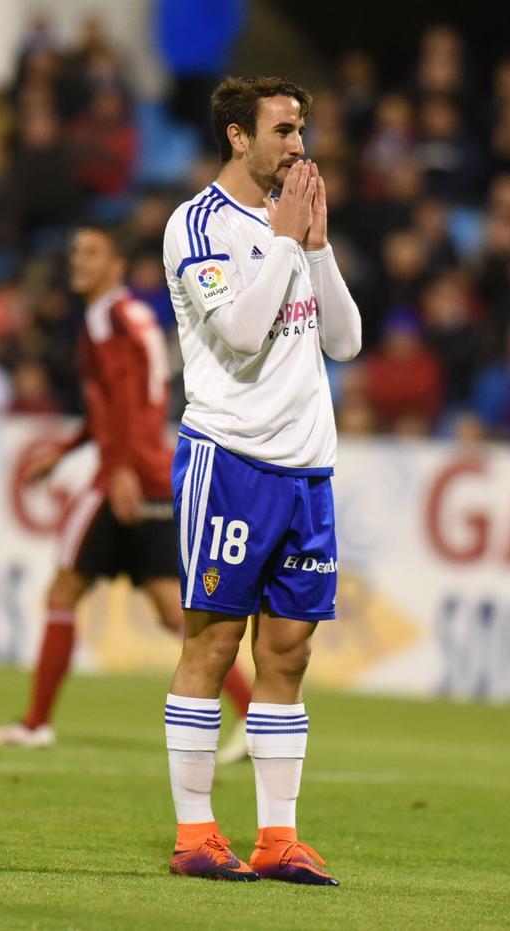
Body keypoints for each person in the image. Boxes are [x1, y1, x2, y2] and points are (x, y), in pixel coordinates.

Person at [161, 75, 361, 884]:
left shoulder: (294, 222)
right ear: (239, 137)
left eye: (302, 128)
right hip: (231, 459)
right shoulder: (196, 225)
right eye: (283, 130)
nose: (299, 144)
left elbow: (343, 342)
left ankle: (278, 837)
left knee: (288, 651)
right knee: (211, 644)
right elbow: (242, 337)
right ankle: (195, 832)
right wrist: (283, 240)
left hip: (308, 468)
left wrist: (315, 243)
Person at [0, 226, 253, 759]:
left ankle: (35, 723)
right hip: (151, 471)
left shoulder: (109, 320)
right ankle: (251, 716)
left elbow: (129, 401)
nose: (77, 261)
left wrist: (120, 467)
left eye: (91, 253)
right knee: (173, 609)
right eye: (75, 251)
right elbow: (115, 406)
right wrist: (68, 449)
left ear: (116, 264)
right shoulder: (131, 316)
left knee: (64, 591)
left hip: (120, 478)